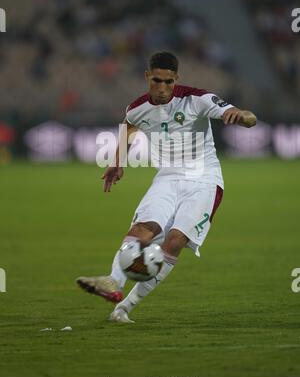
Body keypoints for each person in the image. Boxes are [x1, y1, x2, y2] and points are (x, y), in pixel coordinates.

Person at [77, 51, 257, 323]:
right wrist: (118, 162)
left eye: (168, 82)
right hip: (167, 177)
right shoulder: (137, 108)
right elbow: (129, 127)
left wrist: (241, 115)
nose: (162, 88)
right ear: (147, 76)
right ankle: (113, 283)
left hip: (204, 179)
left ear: (176, 79)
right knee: (141, 231)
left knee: (173, 242)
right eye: (157, 81)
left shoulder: (197, 99)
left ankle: (124, 308)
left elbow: (247, 117)